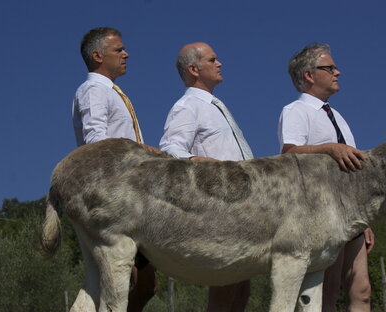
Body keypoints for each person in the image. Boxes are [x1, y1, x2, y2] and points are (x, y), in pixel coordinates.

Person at [277, 43, 375, 312]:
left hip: (352, 214)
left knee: (362, 290)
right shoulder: (295, 111)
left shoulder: (339, 117)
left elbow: (354, 170)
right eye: (329, 68)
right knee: (327, 291)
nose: (338, 72)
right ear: (309, 75)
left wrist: (364, 218)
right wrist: (330, 149)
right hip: (324, 214)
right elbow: (289, 153)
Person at [159, 42, 252, 311]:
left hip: (244, 203)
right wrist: (207, 164)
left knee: (241, 287)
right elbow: (171, 149)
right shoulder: (188, 106)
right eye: (213, 59)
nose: (220, 63)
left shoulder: (215, 105)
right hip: (222, 203)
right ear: (194, 69)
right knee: (227, 282)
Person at [72, 26, 158, 312]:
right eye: (118, 49)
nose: (126, 54)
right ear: (98, 55)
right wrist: (141, 151)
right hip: (115, 195)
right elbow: (96, 142)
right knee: (124, 280)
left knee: (143, 282)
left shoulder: (109, 91)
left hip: (128, 192)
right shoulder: (94, 90)